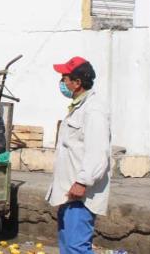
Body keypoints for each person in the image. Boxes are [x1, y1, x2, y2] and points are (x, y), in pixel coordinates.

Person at [47, 56, 111, 254]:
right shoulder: (79, 107)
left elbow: (98, 151)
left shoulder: (93, 110)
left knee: (76, 248)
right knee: (67, 246)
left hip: (81, 193)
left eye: (65, 78)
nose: (62, 83)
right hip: (69, 190)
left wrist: (83, 181)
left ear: (77, 83)